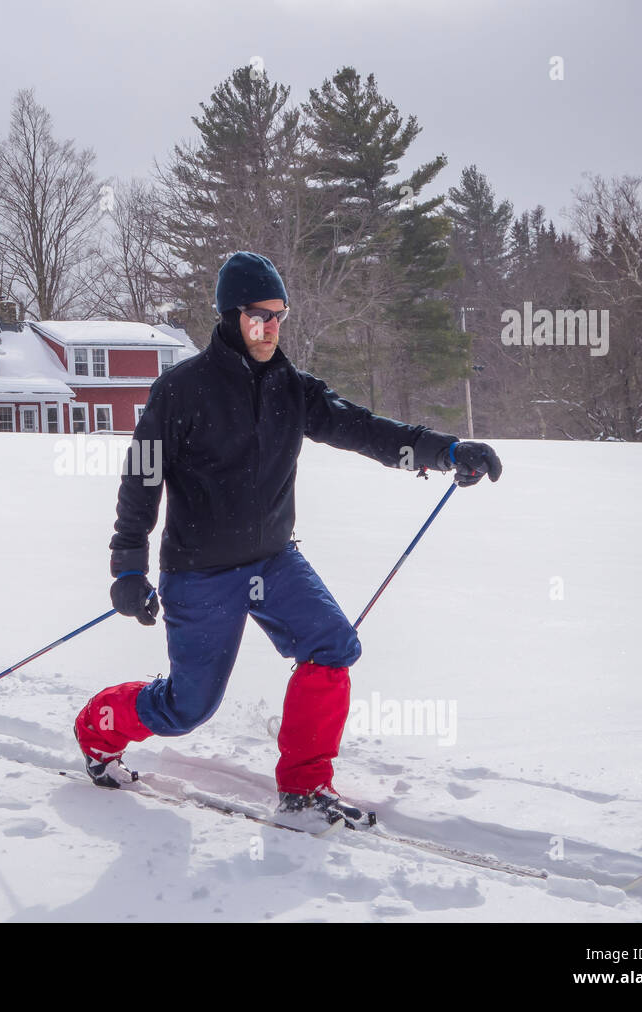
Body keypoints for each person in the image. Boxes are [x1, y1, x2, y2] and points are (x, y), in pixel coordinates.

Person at [73, 251, 502, 829]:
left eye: (280, 315)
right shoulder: (181, 391)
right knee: (187, 706)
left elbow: (366, 430)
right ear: (231, 316)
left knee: (333, 647)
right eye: (260, 315)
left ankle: (304, 787)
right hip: (199, 572)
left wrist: (446, 451)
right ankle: (98, 727)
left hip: (273, 561)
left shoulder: (292, 389)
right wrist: (128, 568)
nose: (272, 326)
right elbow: (142, 478)